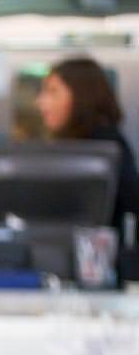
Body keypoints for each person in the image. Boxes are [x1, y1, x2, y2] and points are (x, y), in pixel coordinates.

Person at [36, 57, 139, 250]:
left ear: (81, 95)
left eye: (52, 91)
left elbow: (132, 200)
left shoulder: (107, 144)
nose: (41, 102)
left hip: (96, 264)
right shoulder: (70, 145)